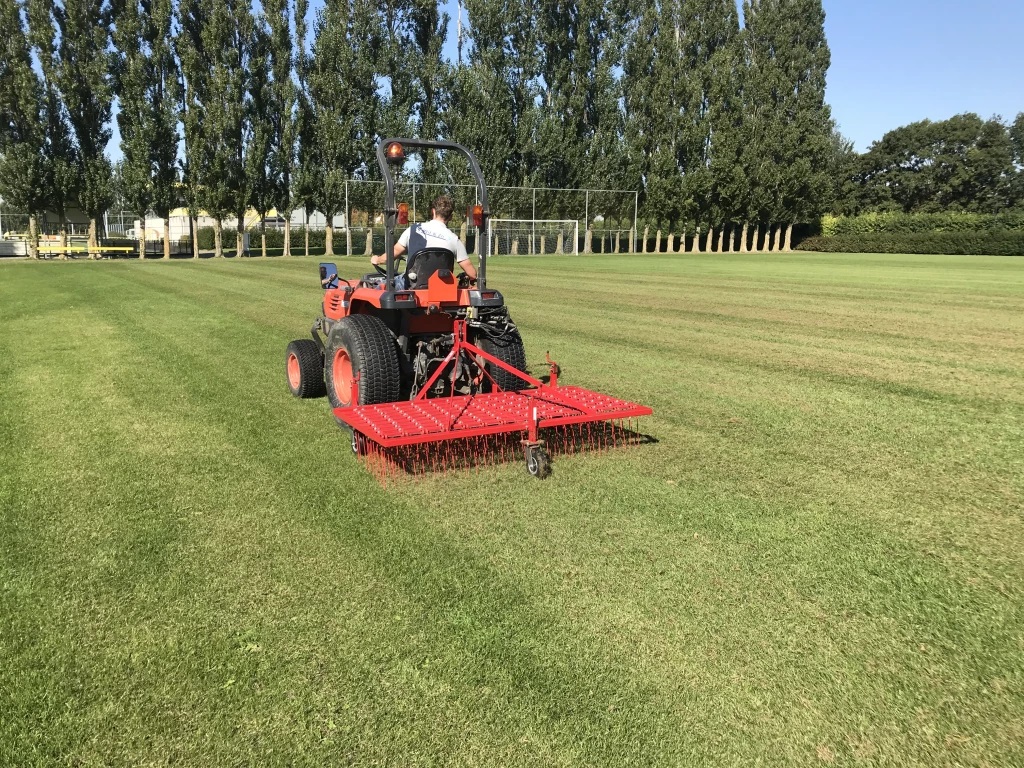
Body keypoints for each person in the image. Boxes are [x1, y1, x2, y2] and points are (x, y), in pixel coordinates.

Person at [370, 195, 477, 288]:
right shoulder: (454, 239)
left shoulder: (414, 230)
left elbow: (392, 254)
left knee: (373, 286)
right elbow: (472, 274)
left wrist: (377, 259)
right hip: (441, 289)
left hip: (411, 285)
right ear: (451, 217)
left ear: (433, 211)